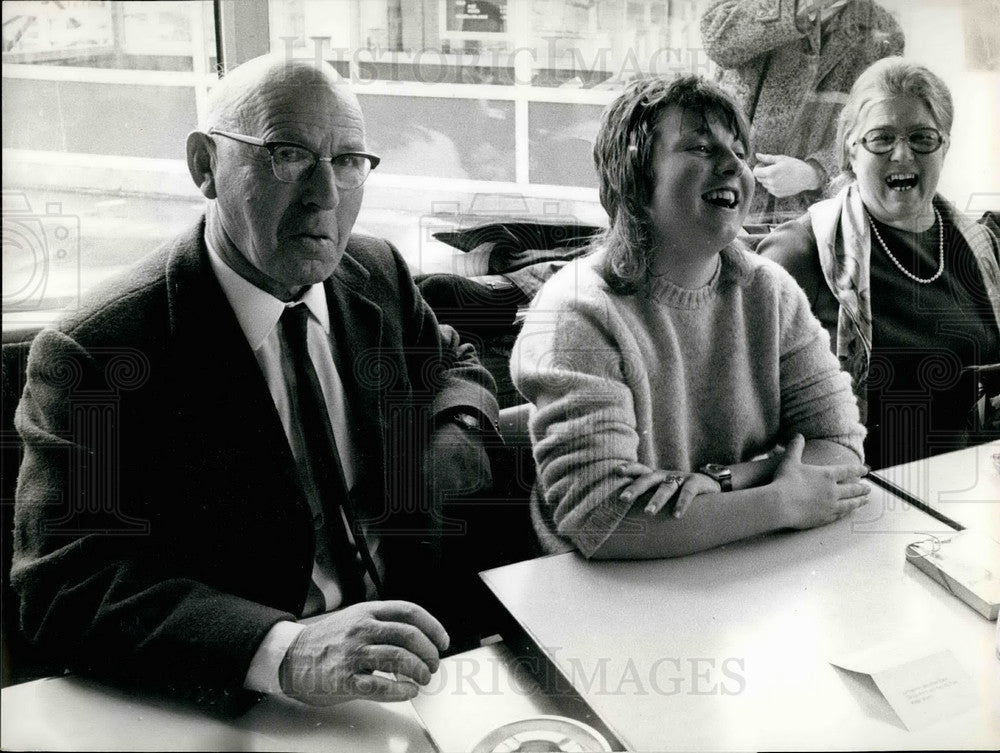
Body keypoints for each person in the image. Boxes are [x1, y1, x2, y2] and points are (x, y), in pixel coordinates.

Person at [10, 54, 499, 709]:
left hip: (423, 663)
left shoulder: (374, 271)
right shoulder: (99, 350)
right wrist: (283, 650)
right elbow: (63, 588)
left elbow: (454, 365)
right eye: (288, 152)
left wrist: (456, 428)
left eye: (349, 160)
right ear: (204, 166)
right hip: (243, 696)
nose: (325, 194)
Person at [509, 75, 869, 560]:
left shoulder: (770, 290)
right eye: (700, 148)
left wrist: (720, 482)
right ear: (634, 182)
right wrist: (778, 501)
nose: (732, 165)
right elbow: (605, 520)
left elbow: (840, 445)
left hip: (741, 563)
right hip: (608, 592)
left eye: (739, 150)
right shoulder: (578, 309)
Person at [760, 58, 1000, 469]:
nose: (902, 154)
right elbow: (751, 411)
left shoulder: (980, 245)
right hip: (859, 494)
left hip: (971, 489)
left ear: (945, 147)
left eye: (922, 137)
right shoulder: (799, 253)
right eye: (881, 139)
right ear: (851, 150)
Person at [701, 0, 904, 225]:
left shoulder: (881, 28)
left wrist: (816, 172)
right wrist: (797, 8)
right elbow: (717, 38)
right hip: (727, 193)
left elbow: (877, 128)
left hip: (810, 218)